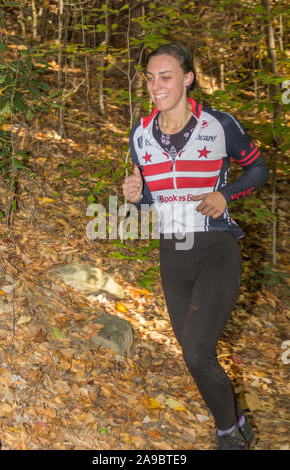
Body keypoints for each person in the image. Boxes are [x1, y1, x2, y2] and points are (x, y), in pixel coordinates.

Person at [122, 43, 269, 450]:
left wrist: (229, 194)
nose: (156, 85)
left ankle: (227, 437)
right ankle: (236, 418)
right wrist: (136, 196)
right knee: (193, 353)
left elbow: (259, 168)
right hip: (173, 250)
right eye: (150, 78)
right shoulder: (140, 134)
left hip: (216, 246)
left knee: (198, 349)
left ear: (187, 79)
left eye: (165, 76)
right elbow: (152, 198)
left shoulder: (219, 125)